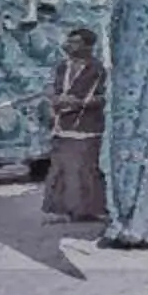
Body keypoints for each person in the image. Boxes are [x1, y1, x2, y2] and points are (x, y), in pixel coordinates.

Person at [41, 27, 106, 223]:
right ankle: (61, 210)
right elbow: (52, 89)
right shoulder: (62, 67)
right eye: (68, 42)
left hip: (87, 126)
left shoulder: (99, 70)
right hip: (62, 124)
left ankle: (88, 211)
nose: (68, 46)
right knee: (60, 169)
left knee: (86, 170)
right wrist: (54, 101)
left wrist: (79, 103)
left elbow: (106, 97)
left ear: (88, 46)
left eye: (74, 42)